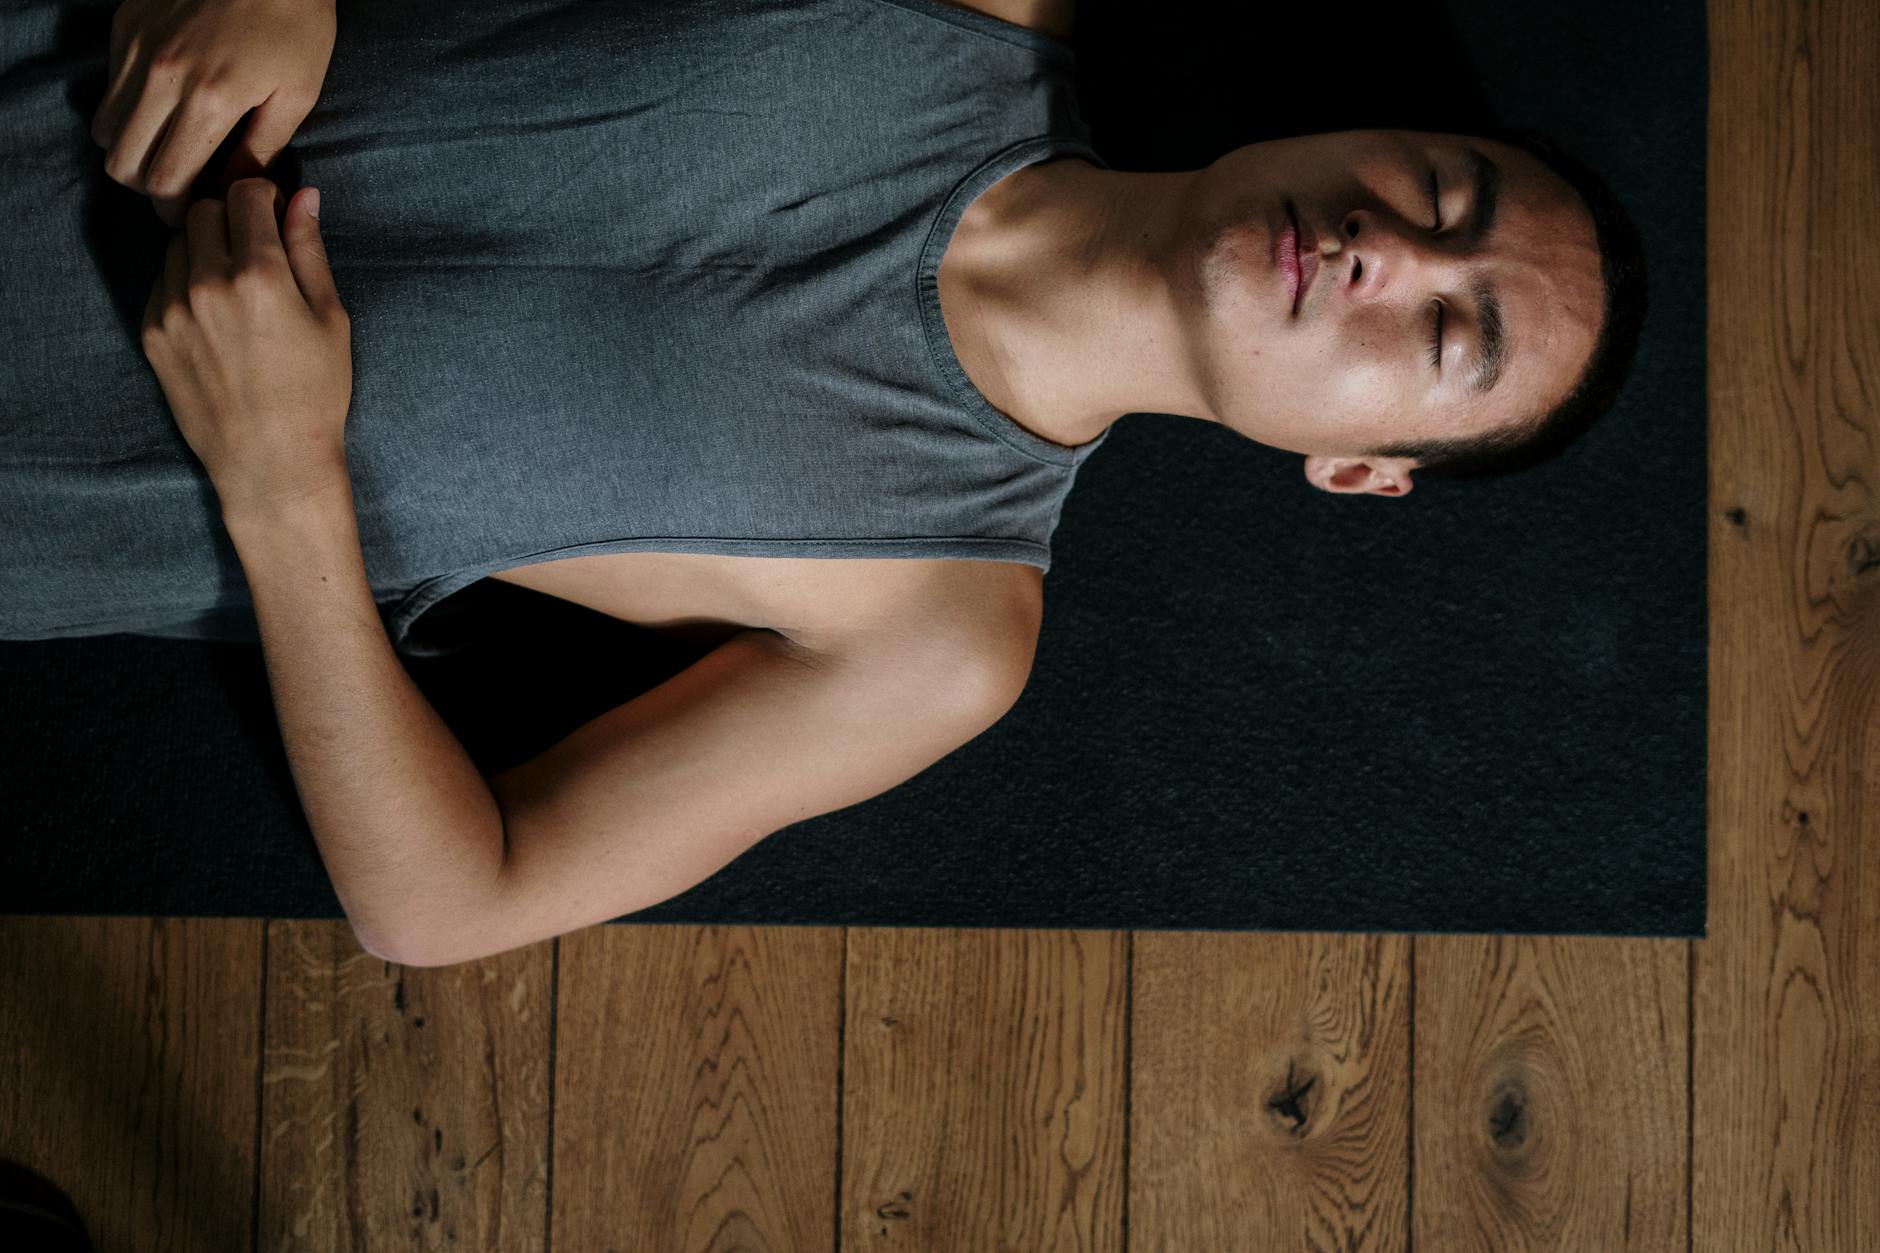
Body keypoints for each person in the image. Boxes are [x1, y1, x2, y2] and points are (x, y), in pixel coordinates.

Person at [20, 0, 1642, 966]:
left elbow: (448, 903)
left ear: (1353, 470)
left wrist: (286, 489)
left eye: (1448, 329)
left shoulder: (942, 626)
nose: (1385, 250)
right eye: (1441, 190)